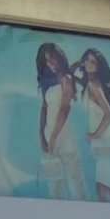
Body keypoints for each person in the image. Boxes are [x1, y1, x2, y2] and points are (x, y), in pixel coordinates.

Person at [36, 44, 87, 200]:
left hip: (63, 135)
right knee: (54, 182)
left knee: (75, 180)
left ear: (59, 56)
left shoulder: (67, 79)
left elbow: (64, 109)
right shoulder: (50, 83)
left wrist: (53, 138)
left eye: (52, 57)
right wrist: (42, 135)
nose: (50, 63)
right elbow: (44, 109)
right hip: (49, 134)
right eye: (46, 60)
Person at [76, 50, 110, 202]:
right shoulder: (88, 83)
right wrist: (79, 62)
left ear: (98, 66)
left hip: (106, 140)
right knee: (105, 188)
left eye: (93, 62)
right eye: (87, 60)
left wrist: (94, 135)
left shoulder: (93, 85)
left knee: (109, 189)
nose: (88, 64)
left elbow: (109, 114)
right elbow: (67, 73)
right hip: (102, 142)